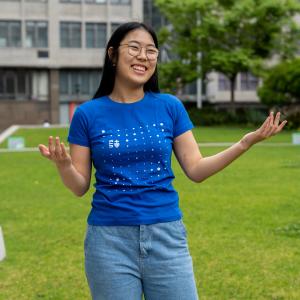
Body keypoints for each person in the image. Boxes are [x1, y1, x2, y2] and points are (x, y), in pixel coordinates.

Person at [38, 22, 287, 300]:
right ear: (112, 55)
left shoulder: (169, 107)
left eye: (151, 51)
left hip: (166, 236)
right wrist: (64, 165)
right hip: (108, 242)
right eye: (134, 48)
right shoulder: (88, 114)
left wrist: (245, 143)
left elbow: (196, 169)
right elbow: (79, 186)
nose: (143, 56)